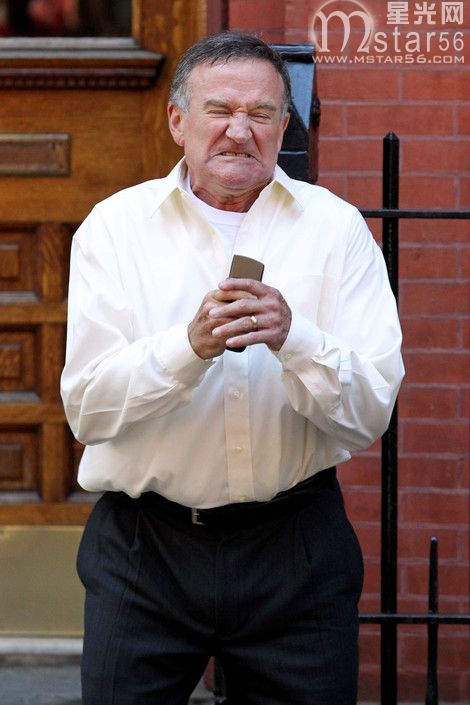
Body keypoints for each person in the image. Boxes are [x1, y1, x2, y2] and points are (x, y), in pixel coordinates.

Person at [61, 30, 404, 705]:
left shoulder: (336, 230)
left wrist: (295, 337)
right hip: (146, 550)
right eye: (219, 110)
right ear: (177, 121)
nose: (239, 132)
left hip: (295, 549)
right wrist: (187, 347)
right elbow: (89, 410)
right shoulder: (115, 228)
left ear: (284, 125)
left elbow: (371, 411)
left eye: (261, 114)